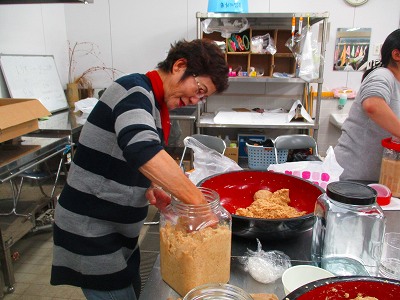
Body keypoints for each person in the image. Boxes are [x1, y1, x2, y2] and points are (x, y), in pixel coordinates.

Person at [50, 39, 229, 300]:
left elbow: (128, 156)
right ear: (180, 65)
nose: (194, 99)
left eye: (202, 97)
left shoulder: (155, 104)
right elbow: (141, 149)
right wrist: (199, 205)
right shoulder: (133, 90)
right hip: (91, 231)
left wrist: (153, 186)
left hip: (118, 232)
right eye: (198, 88)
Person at [334, 29, 400, 181]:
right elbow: (373, 105)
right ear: (397, 55)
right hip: (354, 176)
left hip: (378, 175)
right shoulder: (382, 75)